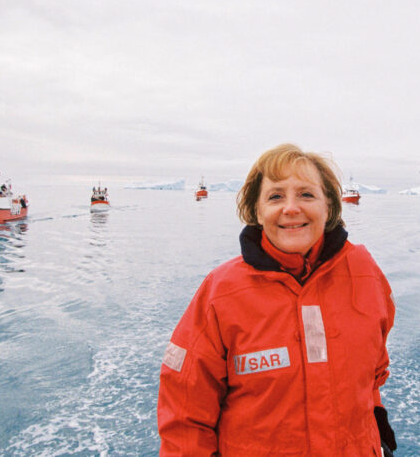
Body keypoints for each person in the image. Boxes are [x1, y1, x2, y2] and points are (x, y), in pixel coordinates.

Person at [158, 143, 397, 456]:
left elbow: (372, 372)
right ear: (257, 211)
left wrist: (378, 429)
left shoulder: (365, 274)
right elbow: (184, 411)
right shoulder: (222, 293)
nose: (291, 208)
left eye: (306, 194)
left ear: (329, 206)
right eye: (275, 196)